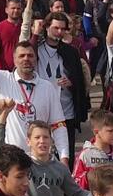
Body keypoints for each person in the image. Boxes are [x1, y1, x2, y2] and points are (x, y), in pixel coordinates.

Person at [0, 25, 71, 164]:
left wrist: (64, 158)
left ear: (36, 59)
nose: (26, 59)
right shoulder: (1, 79)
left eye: (30, 55)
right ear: (15, 60)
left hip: (39, 161)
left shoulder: (47, 87)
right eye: (21, 56)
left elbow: (58, 125)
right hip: (7, 161)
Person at [20, 11, 89, 169]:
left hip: (66, 110)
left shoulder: (70, 51)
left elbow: (79, 79)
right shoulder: (37, 50)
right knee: (40, 154)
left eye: (63, 29)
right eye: (56, 28)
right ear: (47, 27)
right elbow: (26, 53)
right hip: (42, 111)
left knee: (65, 154)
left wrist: (71, 82)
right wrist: (35, 34)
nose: (59, 32)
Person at [72, 109, 113, 190]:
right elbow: (75, 184)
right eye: (110, 131)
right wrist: (90, 176)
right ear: (96, 132)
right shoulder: (85, 155)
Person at [0, 0, 25, 71]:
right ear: (6, 10)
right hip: (3, 71)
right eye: (13, 8)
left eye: (18, 8)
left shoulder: (24, 27)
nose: (16, 10)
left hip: (21, 70)